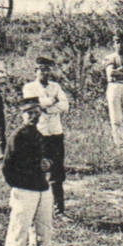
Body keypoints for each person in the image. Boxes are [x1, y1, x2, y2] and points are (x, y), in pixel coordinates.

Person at [1, 97, 54, 246]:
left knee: (43, 236)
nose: (33, 116)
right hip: (24, 192)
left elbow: (47, 159)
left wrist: (47, 164)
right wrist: (21, 186)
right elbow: (7, 169)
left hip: (42, 190)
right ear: (22, 114)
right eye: (29, 113)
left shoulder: (39, 135)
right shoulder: (17, 136)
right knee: (18, 235)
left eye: (36, 113)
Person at [21, 56, 71, 214]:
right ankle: (38, 209)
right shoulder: (29, 87)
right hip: (39, 133)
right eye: (41, 69)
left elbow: (65, 106)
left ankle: (59, 208)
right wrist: (51, 101)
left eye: (47, 69)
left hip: (55, 132)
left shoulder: (56, 86)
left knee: (57, 171)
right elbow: (35, 105)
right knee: (38, 169)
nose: (45, 73)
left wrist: (47, 106)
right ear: (35, 71)